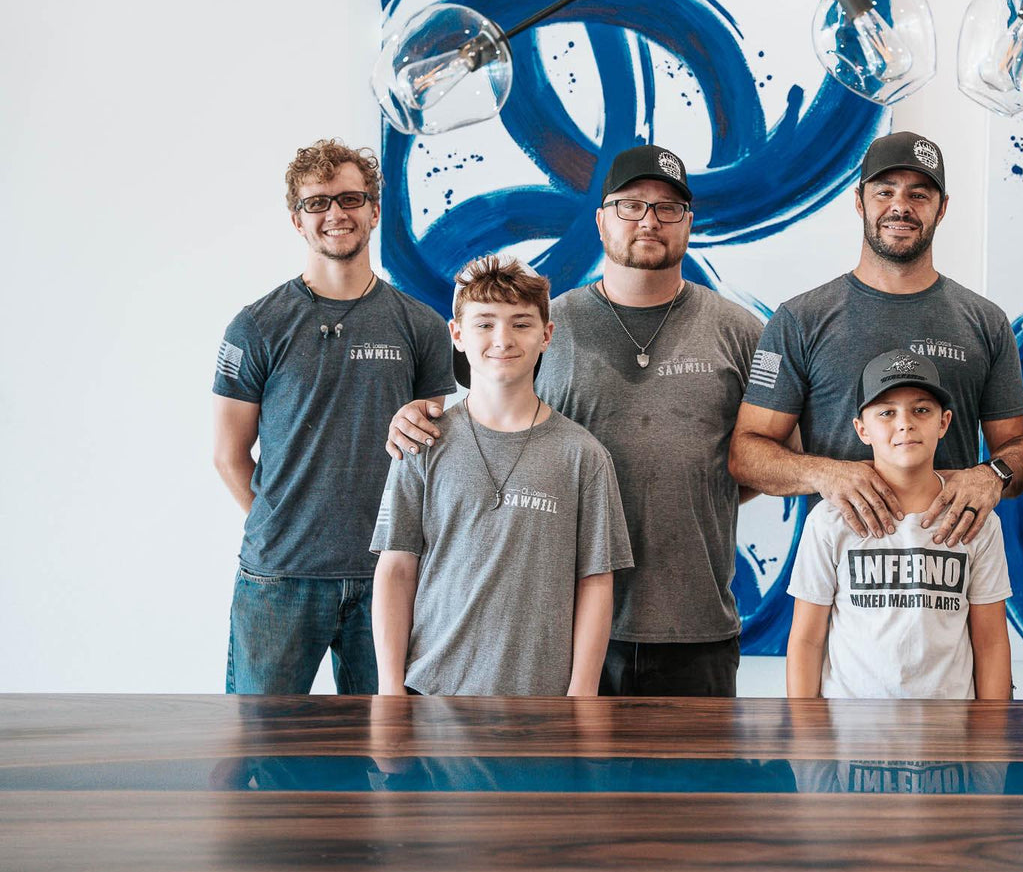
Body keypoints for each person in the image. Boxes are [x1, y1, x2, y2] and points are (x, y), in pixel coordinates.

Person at [386, 145, 763, 697]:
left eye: (669, 208)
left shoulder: (738, 331)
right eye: (631, 205)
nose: (650, 221)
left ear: (689, 222)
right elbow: (485, 420)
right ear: (601, 219)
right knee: (577, 785)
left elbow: (760, 457)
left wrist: (701, 489)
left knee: (692, 785)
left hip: (696, 623)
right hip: (562, 633)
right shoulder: (545, 327)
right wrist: (416, 412)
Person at [211, 139, 454, 694]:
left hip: (389, 576)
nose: (335, 214)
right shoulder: (255, 327)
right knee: (263, 752)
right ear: (297, 220)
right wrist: (285, 525)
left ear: (373, 209)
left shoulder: (419, 325)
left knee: (389, 758)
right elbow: (228, 456)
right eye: (317, 203)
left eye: (350, 199)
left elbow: (431, 450)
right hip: (279, 578)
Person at [729, 131, 1023, 550]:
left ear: (942, 208)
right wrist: (826, 473)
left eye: (919, 194)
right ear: (860, 201)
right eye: (885, 191)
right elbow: (745, 455)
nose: (900, 206)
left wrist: (992, 475)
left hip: (950, 580)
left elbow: (1020, 448)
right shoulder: (800, 320)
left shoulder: (984, 322)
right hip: (838, 585)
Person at [369, 255, 633, 696]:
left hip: (542, 702)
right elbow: (396, 568)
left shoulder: (583, 457)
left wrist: (582, 694)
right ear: (457, 335)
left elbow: (596, 581)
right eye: (485, 323)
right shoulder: (421, 445)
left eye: (521, 323)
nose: (503, 339)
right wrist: (389, 691)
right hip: (430, 693)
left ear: (547, 335)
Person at [786, 350, 1012, 699]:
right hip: (851, 733)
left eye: (921, 410)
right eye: (887, 412)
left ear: (944, 422)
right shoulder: (831, 520)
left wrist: (992, 737)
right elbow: (806, 639)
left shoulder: (975, 520)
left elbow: (991, 642)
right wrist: (804, 736)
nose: (905, 423)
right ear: (862, 429)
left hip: (948, 731)